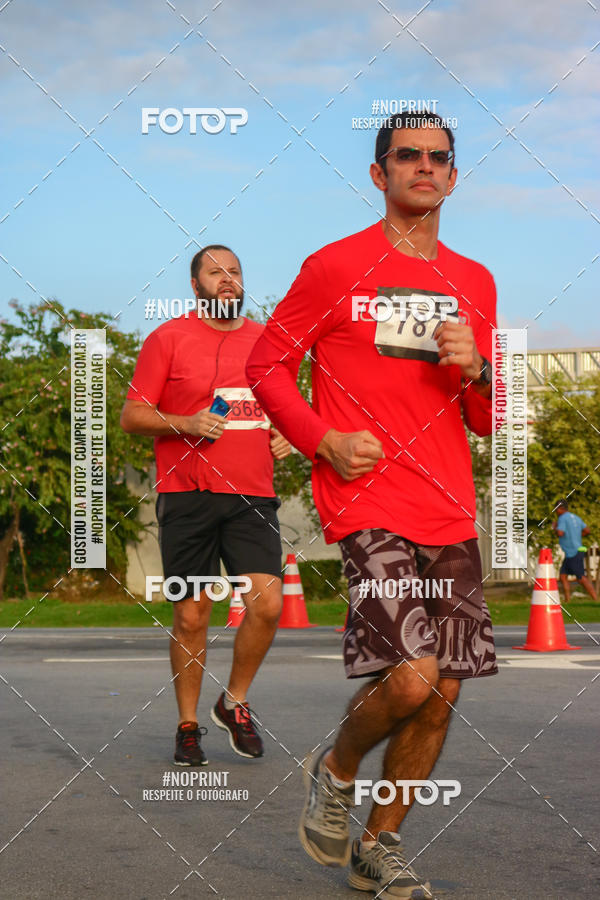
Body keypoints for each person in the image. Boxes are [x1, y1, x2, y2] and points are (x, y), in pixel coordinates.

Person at [246, 111, 497, 897]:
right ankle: (337, 768)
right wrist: (321, 440)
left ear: (454, 177)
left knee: (443, 689)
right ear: (379, 173)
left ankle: (378, 846)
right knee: (414, 676)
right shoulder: (334, 268)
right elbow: (267, 364)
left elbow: (488, 420)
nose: (423, 167)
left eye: (438, 158)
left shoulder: (476, 280)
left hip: (450, 506)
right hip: (368, 498)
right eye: (406, 156)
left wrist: (481, 368)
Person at [121, 245, 290, 766]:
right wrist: (186, 423)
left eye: (235, 273)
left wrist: (286, 430)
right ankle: (188, 725)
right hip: (187, 495)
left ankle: (233, 701)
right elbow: (132, 415)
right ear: (195, 287)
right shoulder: (168, 338)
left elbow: (285, 404)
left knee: (268, 603)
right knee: (193, 616)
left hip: (252, 495)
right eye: (215, 274)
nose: (228, 281)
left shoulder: (267, 341)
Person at [554, 499, 597, 602]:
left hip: (572, 551)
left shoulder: (562, 519)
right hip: (577, 549)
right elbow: (587, 530)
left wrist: (554, 528)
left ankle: (596, 600)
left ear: (560, 509)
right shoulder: (576, 517)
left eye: (556, 509)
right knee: (563, 576)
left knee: (581, 577)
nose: (555, 512)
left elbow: (560, 533)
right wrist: (577, 536)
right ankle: (567, 601)